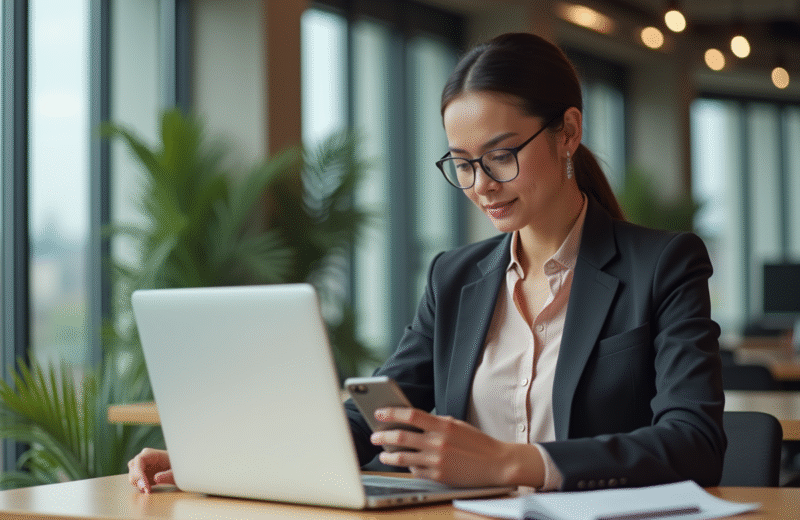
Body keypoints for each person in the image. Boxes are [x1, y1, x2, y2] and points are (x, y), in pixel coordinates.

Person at [128, 32, 725, 494]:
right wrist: (221, 463)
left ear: (568, 132)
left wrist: (511, 461)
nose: (480, 185)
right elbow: (377, 418)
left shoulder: (663, 266)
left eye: (500, 156)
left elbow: (694, 440)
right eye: (463, 163)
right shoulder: (456, 278)